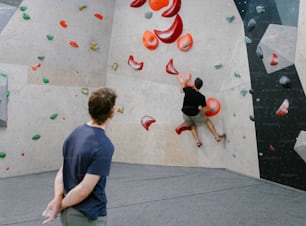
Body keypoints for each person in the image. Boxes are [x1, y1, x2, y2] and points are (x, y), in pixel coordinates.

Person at [42, 87, 117, 226]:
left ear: (90, 109)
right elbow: (83, 190)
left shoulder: (75, 133)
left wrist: (59, 199)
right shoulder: (104, 146)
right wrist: (60, 205)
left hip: (68, 216)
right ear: (112, 110)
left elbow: (62, 171)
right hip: (87, 217)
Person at [180, 77, 223, 147]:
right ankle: (216, 136)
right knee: (207, 121)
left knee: (192, 126)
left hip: (185, 113)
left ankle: (197, 142)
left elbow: (181, 90)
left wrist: (185, 81)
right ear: (201, 87)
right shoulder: (201, 97)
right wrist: (212, 109)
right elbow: (204, 110)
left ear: (194, 84)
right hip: (195, 114)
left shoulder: (188, 90)